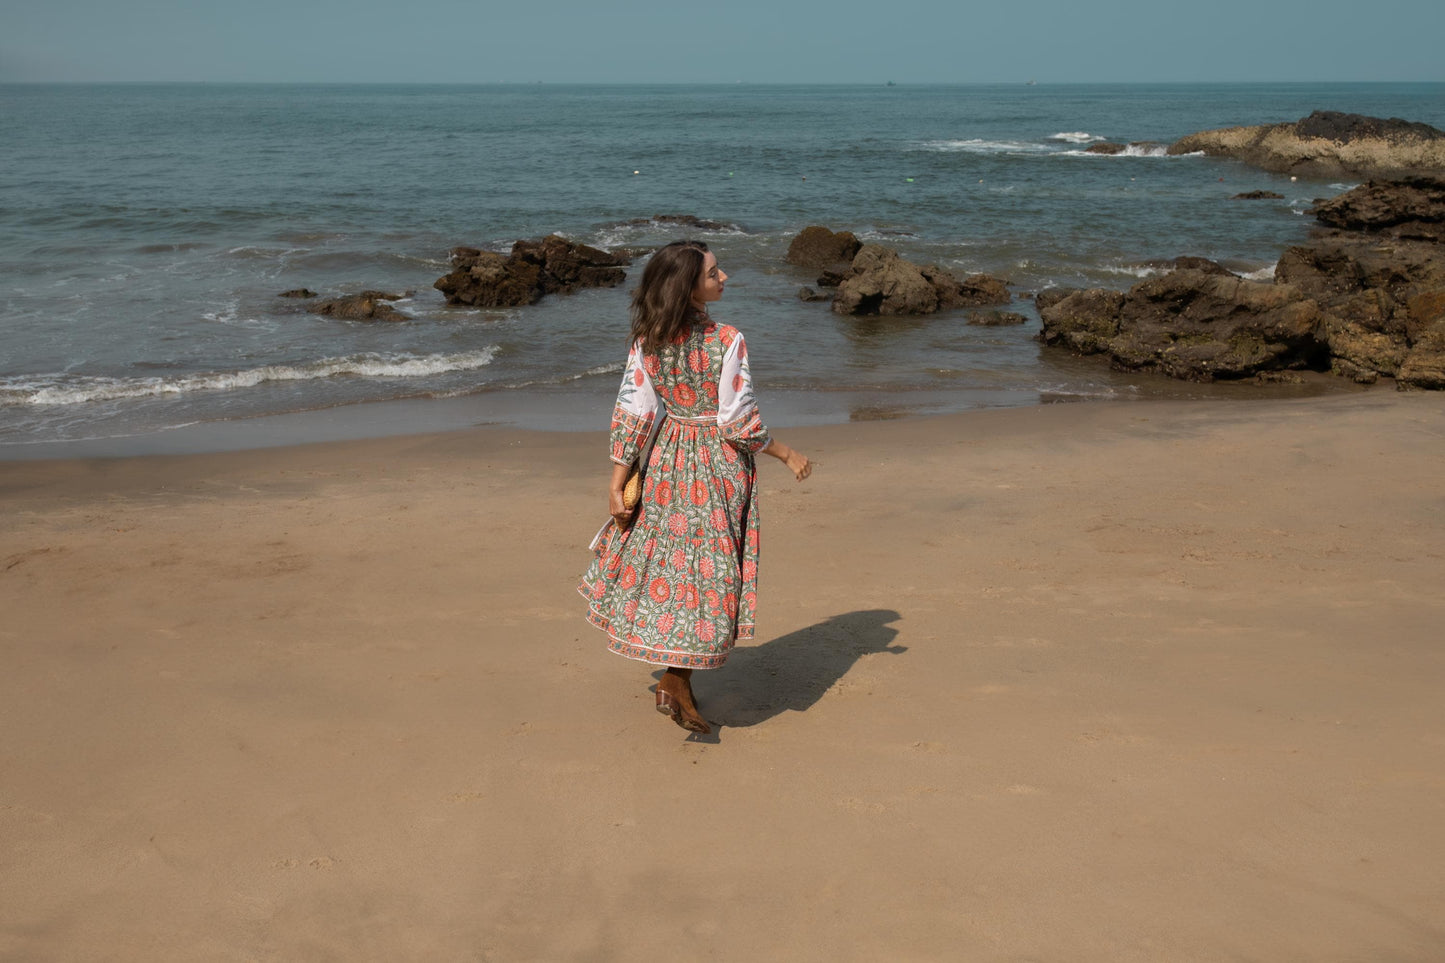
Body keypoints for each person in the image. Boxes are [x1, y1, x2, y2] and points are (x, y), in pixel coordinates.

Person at [578, 240, 811, 734]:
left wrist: (617, 483)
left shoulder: (648, 339)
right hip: (718, 466)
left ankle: (676, 677)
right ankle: (676, 678)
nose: (724, 277)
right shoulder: (728, 339)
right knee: (710, 573)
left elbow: (634, 410)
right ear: (689, 287)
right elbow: (738, 423)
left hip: (665, 457)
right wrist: (787, 453)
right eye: (713, 273)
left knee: (672, 563)